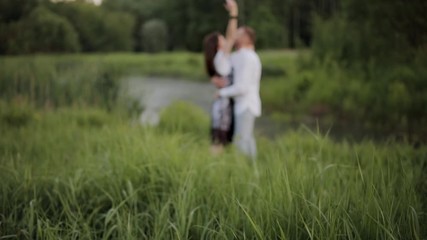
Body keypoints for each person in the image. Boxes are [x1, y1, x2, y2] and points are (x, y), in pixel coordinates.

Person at [213, 26, 262, 160]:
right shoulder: (240, 56)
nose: (234, 35)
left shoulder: (247, 57)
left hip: (246, 105)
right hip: (243, 105)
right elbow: (222, 65)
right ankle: (254, 171)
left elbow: (242, 87)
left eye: (238, 33)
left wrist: (222, 93)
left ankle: (246, 173)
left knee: (241, 141)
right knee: (247, 139)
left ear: (247, 38)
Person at [203, 0, 239, 154]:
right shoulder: (221, 57)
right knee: (220, 142)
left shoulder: (218, 59)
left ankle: (214, 170)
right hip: (224, 107)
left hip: (222, 105)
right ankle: (213, 173)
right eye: (221, 39)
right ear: (218, 46)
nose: (225, 40)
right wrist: (233, 13)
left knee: (219, 139)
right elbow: (232, 36)